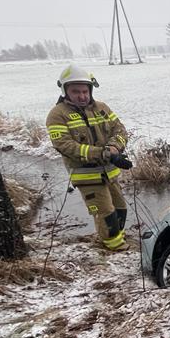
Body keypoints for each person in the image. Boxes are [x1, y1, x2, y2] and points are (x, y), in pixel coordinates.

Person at [45, 64, 131, 251]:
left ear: (90, 90)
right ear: (65, 91)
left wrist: (114, 147)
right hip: (87, 176)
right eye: (76, 92)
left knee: (120, 208)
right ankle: (114, 248)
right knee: (105, 213)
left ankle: (117, 237)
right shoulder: (57, 115)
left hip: (110, 173)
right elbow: (65, 145)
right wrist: (101, 153)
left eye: (85, 91)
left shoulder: (102, 108)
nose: (82, 96)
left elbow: (120, 130)